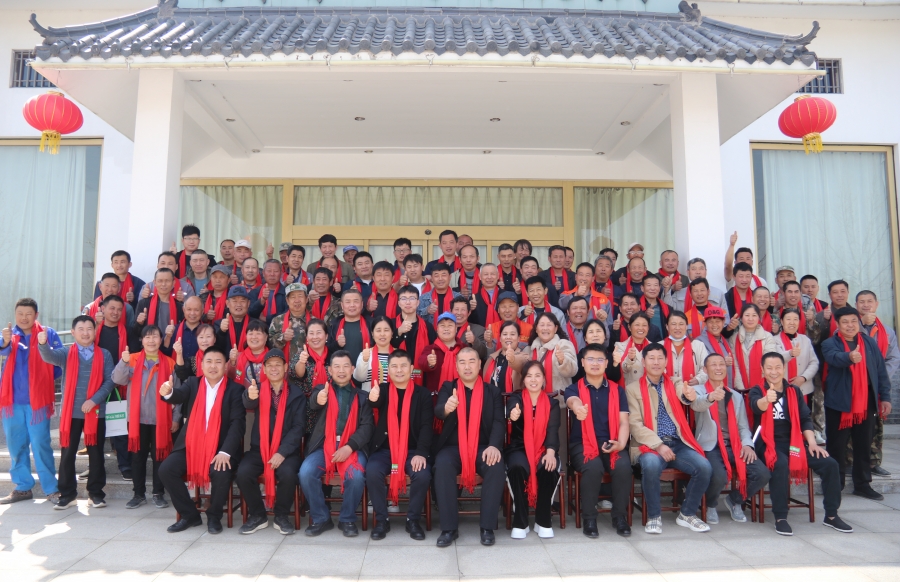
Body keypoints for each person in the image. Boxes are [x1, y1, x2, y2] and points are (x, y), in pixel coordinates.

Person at [749, 353, 850, 535]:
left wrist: (812, 444)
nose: (774, 372)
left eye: (778, 367)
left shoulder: (794, 391)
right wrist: (766, 399)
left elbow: (804, 418)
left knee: (830, 464)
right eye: (769, 368)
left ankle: (831, 515)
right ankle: (780, 517)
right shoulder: (757, 390)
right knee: (780, 464)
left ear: (784, 368)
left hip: (794, 443)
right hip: (767, 444)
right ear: (763, 370)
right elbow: (757, 406)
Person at [158, 345, 245, 534]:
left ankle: (214, 516)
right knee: (166, 470)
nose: (213, 366)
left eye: (218, 362)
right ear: (202, 365)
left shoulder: (235, 390)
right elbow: (178, 395)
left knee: (221, 472)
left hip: (221, 448)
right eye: (209, 362)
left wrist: (225, 452)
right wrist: (168, 392)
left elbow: (237, 424)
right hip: (192, 445)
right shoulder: (192, 383)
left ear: (226, 366)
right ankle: (190, 515)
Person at [626, 343, 712, 534]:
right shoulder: (632, 389)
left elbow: (685, 395)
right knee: (651, 465)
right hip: (648, 445)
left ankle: (687, 514)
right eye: (651, 358)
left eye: (660, 358)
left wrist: (689, 396)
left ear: (666, 361)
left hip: (678, 442)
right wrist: (658, 445)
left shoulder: (675, 382)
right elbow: (635, 425)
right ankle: (654, 516)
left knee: (704, 467)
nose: (656, 362)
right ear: (643, 361)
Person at [36, 316, 115, 509]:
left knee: (96, 453)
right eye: (81, 329)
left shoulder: (104, 354)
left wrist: (93, 400)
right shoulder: (66, 353)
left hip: (95, 412)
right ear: (73, 332)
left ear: (95, 331)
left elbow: (110, 381)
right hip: (71, 412)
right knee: (68, 453)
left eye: (89, 328)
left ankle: (95, 494)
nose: (85, 333)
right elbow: (48, 357)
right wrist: (43, 344)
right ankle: (67, 494)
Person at [433, 347, 505, 547]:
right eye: (462, 362)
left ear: (479, 364)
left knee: (496, 466)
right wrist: (446, 408)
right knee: (442, 465)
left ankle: (487, 528)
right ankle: (449, 529)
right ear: (456, 366)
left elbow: (499, 421)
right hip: (452, 448)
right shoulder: (448, 388)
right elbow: (438, 411)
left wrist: (494, 446)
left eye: (471, 361)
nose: (467, 366)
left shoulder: (492, 391)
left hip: (483, 447)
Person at [821, 307, 892, 501]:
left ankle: (862, 484)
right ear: (838, 324)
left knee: (864, 445)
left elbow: (880, 371)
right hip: (839, 402)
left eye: (853, 321)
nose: (850, 325)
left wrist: (885, 397)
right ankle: (835, 484)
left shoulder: (869, 342)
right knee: (836, 446)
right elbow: (833, 358)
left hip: (866, 402)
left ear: (859, 322)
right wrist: (849, 357)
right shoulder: (830, 343)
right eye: (845, 322)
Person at [300, 351, 374, 537]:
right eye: (337, 367)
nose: (341, 371)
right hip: (323, 447)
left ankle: (347, 519)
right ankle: (321, 518)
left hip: (352, 447)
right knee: (306, 473)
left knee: (356, 476)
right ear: (330, 370)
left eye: (345, 366)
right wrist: (319, 398)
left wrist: (349, 447)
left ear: (352, 369)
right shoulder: (321, 390)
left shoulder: (362, 396)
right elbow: (314, 402)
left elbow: (367, 427)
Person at [693, 353, 770, 524]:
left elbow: (743, 426)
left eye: (721, 364)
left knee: (762, 473)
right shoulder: (698, 391)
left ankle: (735, 500)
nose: (718, 368)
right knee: (719, 476)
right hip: (711, 445)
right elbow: (697, 405)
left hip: (735, 444)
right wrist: (711, 397)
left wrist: (747, 445)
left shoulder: (735, 395)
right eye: (713, 365)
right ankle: (711, 504)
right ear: (705, 369)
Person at [365, 350, 434, 540]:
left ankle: (413, 520)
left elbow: (427, 426)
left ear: (411, 369)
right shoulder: (383, 390)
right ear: (388, 370)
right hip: (384, 450)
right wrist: (372, 398)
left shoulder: (422, 394)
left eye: (403, 366)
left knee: (422, 474)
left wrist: (421, 453)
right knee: (372, 471)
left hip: (413, 451)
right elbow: (374, 402)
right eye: (394, 366)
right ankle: (381, 520)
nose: (399, 370)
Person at [236, 349, 306, 535]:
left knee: (288, 474)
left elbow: (298, 427)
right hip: (259, 449)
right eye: (270, 365)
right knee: (243, 473)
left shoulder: (296, 394)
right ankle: (258, 515)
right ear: (264, 370)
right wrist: (250, 396)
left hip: (286, 452)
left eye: (278, 365)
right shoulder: (257, 389)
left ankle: (281, 515)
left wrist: (282, 452)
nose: (274, 368)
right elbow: (248, 403)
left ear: (285, 367)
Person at [565, 344, 632, 537]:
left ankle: (619, 517)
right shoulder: (573, 388)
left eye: (600, 359)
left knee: (623, 466)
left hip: (611, 441)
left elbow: (624, 421)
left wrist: (620, 444)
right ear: (583, 362)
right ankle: (589, 518)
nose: (595, 363)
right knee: (593, 467)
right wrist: (578, 408)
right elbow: (572, 401)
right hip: (582, 443)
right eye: (591, 359)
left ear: (606, 363)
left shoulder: (617, 390)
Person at [0, 300, 62, 505]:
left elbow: (59, 361)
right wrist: (5, 342)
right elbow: (2, 350)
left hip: (38, 402)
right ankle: (23, 487)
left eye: (28, 313)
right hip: (12, 402)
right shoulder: (8, 335)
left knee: (41, 444)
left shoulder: (48, 333)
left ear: (36, 314)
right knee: (15, 445)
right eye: (20, 313)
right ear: (15, 314)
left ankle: (51, 489)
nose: (24, 317)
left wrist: (43, 380)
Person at [112, 326, 177, 510]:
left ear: (161, 339)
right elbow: (117, 379)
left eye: (155, 337)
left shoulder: (169, 363)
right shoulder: (132, 359)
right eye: (147, 337)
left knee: (160, 457)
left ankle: (158, 493)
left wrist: (176, 417)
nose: (151, 340)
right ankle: (138, 494)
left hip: (161, 419)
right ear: (141, 340)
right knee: (137, 458)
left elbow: (177, 393)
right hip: (137, 419)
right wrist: (123, 362)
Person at [506, 361, 561, 539]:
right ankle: (520, 522)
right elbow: (511, 410)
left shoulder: (552, 404)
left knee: (548, 467)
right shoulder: (516, 399)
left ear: (544, 379)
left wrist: (551, 453)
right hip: (519, 448)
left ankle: (543, 520)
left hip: (545, 448)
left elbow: (552, 431)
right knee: (517, 467)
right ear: (523, 380)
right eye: (529, 376)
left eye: (537, 375)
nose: (533, 380)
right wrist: (512, 414)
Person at [854, 290, 899, 477]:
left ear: (876, 304)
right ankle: (851, 462)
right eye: (862, 302)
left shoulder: (886, 331)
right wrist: (861, 325)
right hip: (856, 384)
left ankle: (874, 462)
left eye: (869, 301)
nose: (866, 305)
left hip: (878, 386)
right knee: (855, 424)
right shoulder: (850, 326)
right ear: (856, 305)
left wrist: (880, 377)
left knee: (876, 425)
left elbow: (893, 358)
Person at [95, 294, 138, 479]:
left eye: (119, 309)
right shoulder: (94, 330)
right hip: (96, 386)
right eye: (112, 308)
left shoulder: (129, 332)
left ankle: (124, 465)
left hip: (119, 386)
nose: (115, 312)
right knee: (96, 429)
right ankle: (95, 465)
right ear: (103, 309)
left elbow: (135, 357)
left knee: (119, 427)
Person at [730, 304, 785, 410]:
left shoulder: (767, 337)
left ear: (759, 317)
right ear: (741, 317)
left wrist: (759, 388)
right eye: (747, 315)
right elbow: (734, 365)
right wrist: (742, 389)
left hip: (763, 387)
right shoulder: (734, 338)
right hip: (741, 389)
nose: (750, 319)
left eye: (754, 315)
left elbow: (769, 364)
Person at [289, 319, 330, 435]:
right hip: (306, 411)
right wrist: (302, 362)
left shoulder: (334, 356)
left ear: (326, 336)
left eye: (319, 333)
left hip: (330, 409)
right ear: (307, 337)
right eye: (311, 333)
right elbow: (297, 374)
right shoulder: (302, 354)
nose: (315, 337)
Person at [391, 286, 436, 384]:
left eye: (412, 298)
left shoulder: (428, 327)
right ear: (399, 303)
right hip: (395, 376)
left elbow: (433, 352)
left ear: (418, 302)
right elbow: (387, 347)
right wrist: (398, 332)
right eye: (404, 299)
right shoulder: (391, 324)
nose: (408, 302)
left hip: (421, 378)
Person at [419, 313, 464, 404]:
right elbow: (421, 362)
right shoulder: (430, 349)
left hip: (462, 398)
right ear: (437, 329)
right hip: (436, 400)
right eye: (442, 326)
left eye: (450, 325)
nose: (446, 329)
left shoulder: (464, 349)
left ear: (456, 329)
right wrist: (429, 362)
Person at [662, 311, 709, 388]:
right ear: (667, 327)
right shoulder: (659, 346)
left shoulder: (698, 346)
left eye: (681, 324)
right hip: (666, 390)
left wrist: (698, 379)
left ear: (686, 326)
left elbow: (706, 367)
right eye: (673, 324)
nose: (677, 328)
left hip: (692, 390)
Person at [779, 309, 819, 398]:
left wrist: (803, 378)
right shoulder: (774, 340)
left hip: (804, 388)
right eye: (788, 319)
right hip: (781, 390)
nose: (792, 322)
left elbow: (814, 362)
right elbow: (775, 359)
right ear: (782, 321)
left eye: (795, 319)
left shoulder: (805, 340)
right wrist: (790, 354)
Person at [559, 262, 613, 326]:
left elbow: (610, 324)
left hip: (595, 331)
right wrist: (576, 295)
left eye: (587, 275)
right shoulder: (566, 294)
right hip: (573, 331)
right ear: (576, 277)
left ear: (593, 278)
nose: (584, 278)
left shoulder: (602, 298)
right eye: (581, 274)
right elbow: (562, 305)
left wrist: (603, 319)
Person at [136, 269, 184, 339]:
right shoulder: (144, 303)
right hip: (151, 344)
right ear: (154, 282)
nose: (163, 284)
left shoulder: (179, 306)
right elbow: (136, 332)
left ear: (173, 283)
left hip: (172, 344)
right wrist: (139, 323)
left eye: (167, 281)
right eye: (160, 281)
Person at [483, 320, 528, 393]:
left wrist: (512, 359)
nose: (508, 337)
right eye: (505, 334)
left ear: (518, 338)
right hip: (493, 399)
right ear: (500, 338)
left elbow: (521, 363)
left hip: (513, 399)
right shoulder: (491, 359)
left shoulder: (524, 357)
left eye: (512, 334)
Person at [327, 288, 370, 364]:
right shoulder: (333, 325)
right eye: (348, 302)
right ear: (342, 305)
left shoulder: (371, 324)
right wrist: (337, 344)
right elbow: (327, 350)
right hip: (342, 369)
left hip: (366, 368)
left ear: (362, 304)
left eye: (356, 301)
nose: (352, 305)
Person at [268, 283, 309, 362]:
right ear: (287, 300)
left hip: (308, 366)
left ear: (306, 299)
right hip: (284, 365)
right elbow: (269, 346)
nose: (297, 300)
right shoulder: (277, 321)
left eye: (300, 296)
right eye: (293, 297)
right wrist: (283, 338)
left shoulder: (314, 322)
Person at [697, 307, 735, 389]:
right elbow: (700, 368)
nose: (714, 325)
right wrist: (722, 362)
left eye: (718, 321)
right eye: (710, 322)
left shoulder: (725, 341)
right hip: (708, 390)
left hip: (727, 388)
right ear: (705, 324)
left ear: (723, 322)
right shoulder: (698, 342)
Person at [354, 316, 394, 391]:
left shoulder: (399, 355)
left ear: (392, 333)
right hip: (369, 397)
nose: (382, 334)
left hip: (394, 397)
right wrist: (364, 361)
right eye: (378, 330)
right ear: (372, 334)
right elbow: (359, 378)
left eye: (386, 330)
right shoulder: (365, 354)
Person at [612, 312, 653, 385]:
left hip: (649, 388)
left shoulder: (654, 347)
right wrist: (629, 359)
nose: (641, 328)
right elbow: (621, 370)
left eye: (644, 325)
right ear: (629, 327)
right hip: (629, 388)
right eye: (637, 325)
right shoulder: (620, 346)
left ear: (648, 328)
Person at [230, 319, 269, 389]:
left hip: (266, 394)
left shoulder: (272, 357)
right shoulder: (238, 356)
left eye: (258, 333)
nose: (254, 337)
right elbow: (228, 377)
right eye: (250, 334)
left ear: (266, 337)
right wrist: (232, 362)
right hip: (242, 394)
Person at [250, 259, 288, 325]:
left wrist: (266, 319)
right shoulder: (254, 292)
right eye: (269, 271)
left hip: (279, 329)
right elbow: (250, 313)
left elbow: (287, 314)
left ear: (281, 273)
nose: (272, 274)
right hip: (259, 329)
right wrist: (262, 300)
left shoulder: (287, 293)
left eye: (276, 271)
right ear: (263, 273)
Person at [215, 286, 252, 353]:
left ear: (248, 303)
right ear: (227, 303)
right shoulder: (218, 324)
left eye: (242, 301)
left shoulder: (255, 325)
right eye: (234, 301)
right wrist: (221, 332)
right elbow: (216, 349)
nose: (238, 304)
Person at [451, 297, 488, 362]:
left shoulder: (479, 330)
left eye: (463, 310)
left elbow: (483, 354)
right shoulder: (444, 330)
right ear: (450, 311)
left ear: (469, 312)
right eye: (456, 309)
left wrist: (474, 341)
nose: (459, 313)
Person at [470, 263, 502, 328]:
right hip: (481, 333)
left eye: (492, 274)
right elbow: (471, 322)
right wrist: (470, 310)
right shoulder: (474, 299)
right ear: (480, 276)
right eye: (486, 274)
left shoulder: (505, 296)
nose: (489, 277)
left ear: (498, 276)